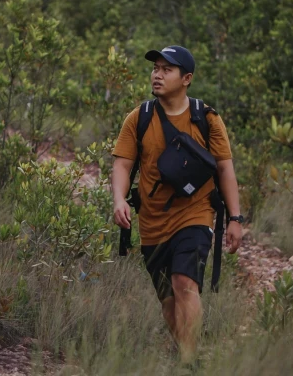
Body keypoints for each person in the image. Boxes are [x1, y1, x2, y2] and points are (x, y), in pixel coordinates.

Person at [111, 45, 244, 364]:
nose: (157, 74)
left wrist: (236, 218)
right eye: (155, 68)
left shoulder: (206, 118)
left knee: (185, 282)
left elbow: (225, 168)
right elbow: (122, 165)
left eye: (166, 69)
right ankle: (188, 351)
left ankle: (189, 358)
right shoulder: (139, 117)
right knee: (168, 299)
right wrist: (119, 199)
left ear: (186, 78)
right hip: (153, 222)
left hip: (195, 214)